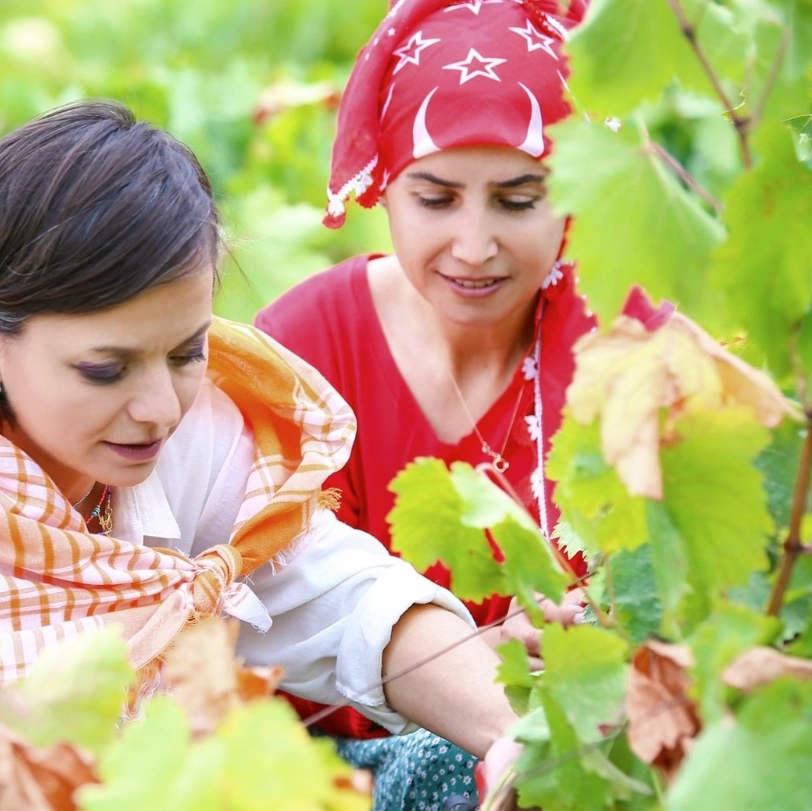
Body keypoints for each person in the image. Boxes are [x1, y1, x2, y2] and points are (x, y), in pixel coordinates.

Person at [0, 99, 524, 796]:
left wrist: (511, 726)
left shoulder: (180, 438)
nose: (159, 407)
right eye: (105, 367)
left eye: (186, 351)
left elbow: (335, 592)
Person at [254, 0, 625, 807]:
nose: (475, 245)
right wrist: (472, 664)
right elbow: (261, 624)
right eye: (436, 197)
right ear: (385, 186)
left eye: (519, 200)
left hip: (569, 742)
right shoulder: (304, 349)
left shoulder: (620, 347)